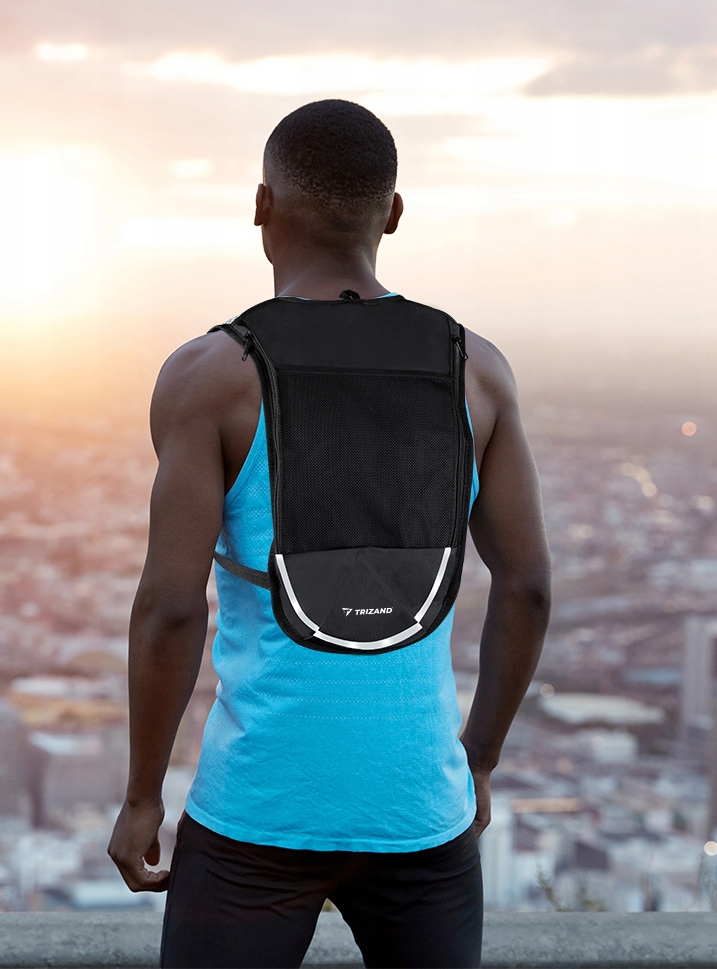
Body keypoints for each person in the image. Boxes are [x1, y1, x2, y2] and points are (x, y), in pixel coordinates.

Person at [108, 99, 551, 969]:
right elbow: (528, 589)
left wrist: (141, 797)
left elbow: (170, 608)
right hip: (421, 812)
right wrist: (479, 761)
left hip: (256, 814)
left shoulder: (212, 376)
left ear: (262, 208)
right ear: (393, 214)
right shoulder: (477, 369)